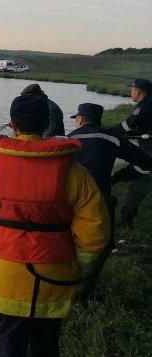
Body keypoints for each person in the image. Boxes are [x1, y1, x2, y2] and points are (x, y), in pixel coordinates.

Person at [0, 95, 109, 357]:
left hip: (4, 275)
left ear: (13, 125)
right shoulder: (75, 172)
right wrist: (79, 265)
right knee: (46, 345)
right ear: (48, 123)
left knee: (7, 344)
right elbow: (96, 230)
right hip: (56, 277)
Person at [68, 103, 152, 296]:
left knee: (68, 239)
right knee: (104, 244)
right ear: (99, 120)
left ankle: (65, 281)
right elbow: (146, 164)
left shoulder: (68, 139)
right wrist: (118, 178)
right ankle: (85, 289)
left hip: (71, 199)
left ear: (80, 120)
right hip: (100, 197)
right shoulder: (112, 138)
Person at [111, 78, 152, 227]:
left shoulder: (143, 107)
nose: (131, 92)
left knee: (138, 184)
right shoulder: (149, 104)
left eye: (132, 90)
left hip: (149, 153)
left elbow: (126, 126)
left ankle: (125, 223)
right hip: (147, 150)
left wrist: (106, 132)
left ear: (139, 92)